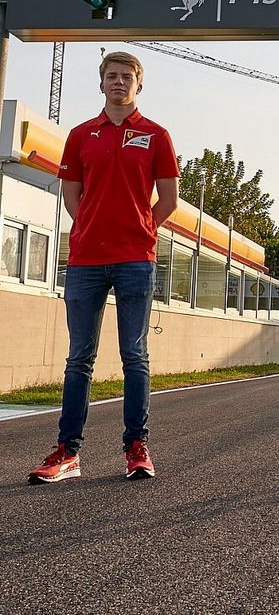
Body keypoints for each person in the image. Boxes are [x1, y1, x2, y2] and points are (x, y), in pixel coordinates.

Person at [29, 52, 180, 483]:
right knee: (79, 358)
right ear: (101, 84)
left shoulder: (157, 135)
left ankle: (136, 448)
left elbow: (167, 200)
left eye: (126, 77)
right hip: (86, 260)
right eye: (111, 76)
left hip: (136, 259)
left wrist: (140, 228)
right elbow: (72, 195)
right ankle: (67, 453)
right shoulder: (80, 135)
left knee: (134, 355)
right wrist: (93, 229)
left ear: (138, 84)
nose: (119, 82)